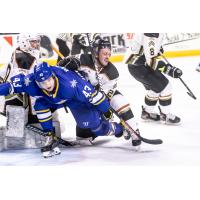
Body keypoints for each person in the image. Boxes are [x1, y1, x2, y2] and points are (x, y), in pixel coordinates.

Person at [0, 62, 124, 157]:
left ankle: (118, 129)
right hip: (53, 99)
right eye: (42, 83)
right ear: (36, 82)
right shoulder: (30, 81)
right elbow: (10, 86)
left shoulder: (71, 83)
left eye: (49, 80)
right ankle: (50, 134)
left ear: (53, 75)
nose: (47, 85)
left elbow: (95, 97)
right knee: (39, 105)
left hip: (75, 100)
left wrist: (106, 110)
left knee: (92, 126)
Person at [57, 38, 141, 146]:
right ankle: (111, 128)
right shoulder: (82, 59)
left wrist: (105, 110)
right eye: (104, 53)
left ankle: (133, 129)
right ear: (96, 52)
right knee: (83, 140)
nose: (107, 57)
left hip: (100, 101)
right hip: (83, 101)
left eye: (109, 54)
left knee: (118, 99)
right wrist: (66, 65)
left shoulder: (112, 73)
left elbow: (108, 96)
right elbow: (60, 67)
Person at [126, 33, 182, 124]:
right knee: (166, 87)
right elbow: (151, 60)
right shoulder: (151, 33)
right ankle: (166, 115)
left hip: (136, 65)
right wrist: (169, 70)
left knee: (155, 89)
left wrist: (156, 48)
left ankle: (147, 113)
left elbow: (147, 48)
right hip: (140, 67)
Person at [0, 33, 41, 122]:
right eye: (33, 42)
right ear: (24, 42)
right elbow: (23, 83)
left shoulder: (18, 52)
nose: (37, 44)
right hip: (19, 100)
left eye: (37, 41)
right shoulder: (25, 58)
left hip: (11, 97)